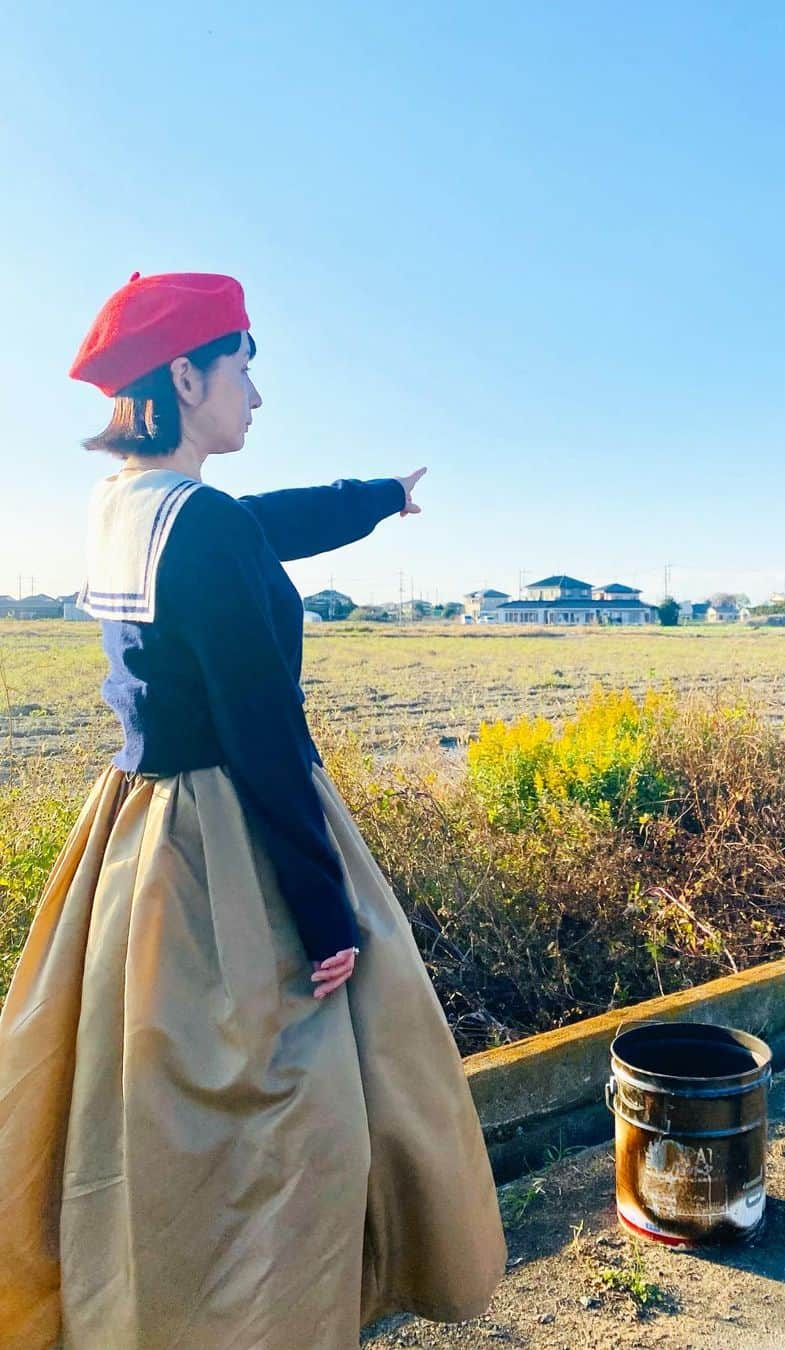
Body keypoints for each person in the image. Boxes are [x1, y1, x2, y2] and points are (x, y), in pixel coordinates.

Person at [0, 272, 506, 1349]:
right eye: (244, 367)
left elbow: (252, 527)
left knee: (145, 1114)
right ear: (186, 375)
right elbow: (265, 737)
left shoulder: (124, 508)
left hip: (137, 834)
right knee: (303, 1125)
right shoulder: (203, 531)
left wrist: (372, 497)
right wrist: (328, 918)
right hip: (232, 841)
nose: (256, 397)